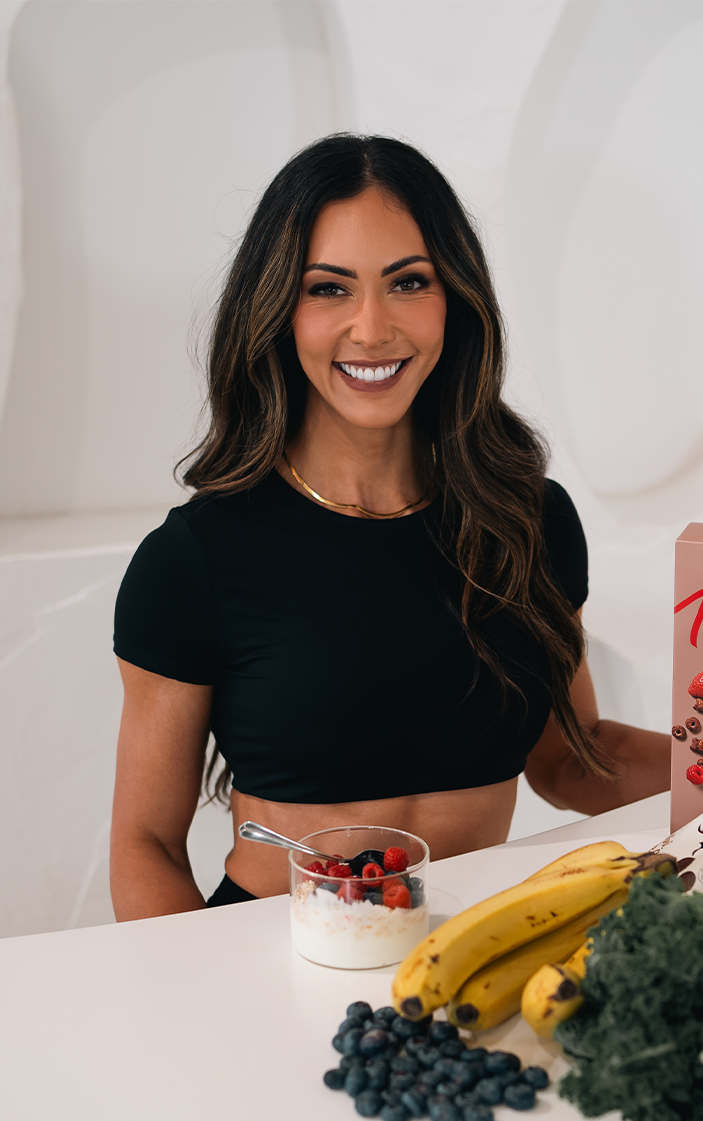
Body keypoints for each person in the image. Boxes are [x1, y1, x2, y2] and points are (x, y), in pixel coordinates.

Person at [110, 134, 670, 920]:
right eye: (328, 289)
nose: (371, 329)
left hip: (474, 958)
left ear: (456, 300)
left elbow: (575, 762)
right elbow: (147, 845)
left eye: (408, 282)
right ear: (276, 310)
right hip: (271, 962)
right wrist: (187, 1019)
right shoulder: (196, 558)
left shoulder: (528, 522)